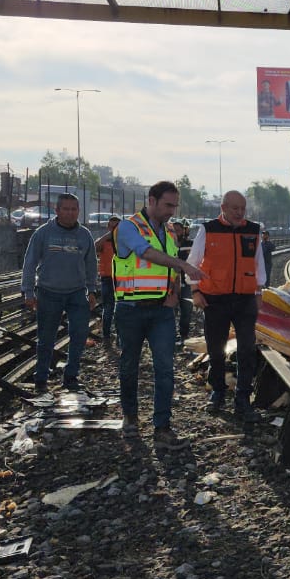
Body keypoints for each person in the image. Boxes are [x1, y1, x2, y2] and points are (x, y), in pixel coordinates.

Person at [114, 181, 206, 447]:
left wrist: (175, 292)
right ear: (151, 200)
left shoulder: (168, 232)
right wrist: (183, 265)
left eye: (175, 206)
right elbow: (146, 253)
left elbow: (170, 268)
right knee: (129, 365)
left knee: (165, 368)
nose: (172, 211)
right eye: (168, 205)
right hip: (130, 309)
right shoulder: (128, 227)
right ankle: (130, 417)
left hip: (162, 311)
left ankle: (162, 428)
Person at [187, 191, 265, 423]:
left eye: (243, 208)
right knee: (216, 349)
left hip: (244, 299)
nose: (240, 213)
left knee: (246, 350)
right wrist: (195, 290)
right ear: (223, 207)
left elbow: (258, 262)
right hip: (215, 299)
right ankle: (218, 392)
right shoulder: (208, 229)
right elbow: (193, 262)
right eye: (235, 208)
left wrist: (259, 290)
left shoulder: (253, 230)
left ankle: (243, 398)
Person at [20, 193, 98, 393]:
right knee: (46, 338)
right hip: (48, 292)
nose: (70, 213)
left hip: (77, 293)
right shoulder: (43, 233)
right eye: (66, 209)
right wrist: (28, 291)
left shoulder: (85, 235)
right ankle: (41, 378)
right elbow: (29, 264)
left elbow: (91, 265)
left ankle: (70, 376)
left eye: (74, 209)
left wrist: (92, 290)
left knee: (79, 334)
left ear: (79, 211)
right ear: (57, 211)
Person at [93, 215, 121, 347]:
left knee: (122, 308)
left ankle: (120, 336)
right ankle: (106, 335)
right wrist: (108, 235)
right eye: (112, 226)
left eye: (116, 226)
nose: (114, 229)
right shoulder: (105, 241)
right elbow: (94, 247)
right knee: (108, 307)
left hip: (122, 279)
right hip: (108, 279)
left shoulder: (125, 240)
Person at [167, 219, 194, 345]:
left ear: (184, 230)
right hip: (171, 283)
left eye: (179, 229)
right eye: (174, 229)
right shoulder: (167, 244)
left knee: (186, 310)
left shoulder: (191, 244)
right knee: (170, 311)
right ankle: (170, 336)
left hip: (186, 283)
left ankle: (183, 336)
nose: (177, 232)